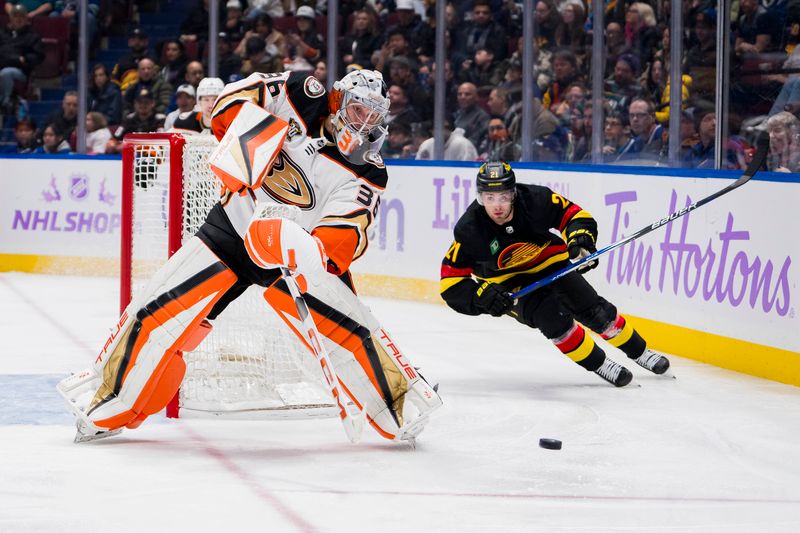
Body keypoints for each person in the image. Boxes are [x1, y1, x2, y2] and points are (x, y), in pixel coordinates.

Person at [59, 68, 442, 444]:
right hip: (232, 229)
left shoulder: (367, 170)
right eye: (360, 111)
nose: (365, 123)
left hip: (291, 257)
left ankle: (399, 404)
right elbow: (229, 101)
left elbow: (346, 235)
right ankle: (110, 400)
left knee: (348, 331)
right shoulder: (299, 91)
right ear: (338, 100)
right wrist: (248, 144)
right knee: (159, 309)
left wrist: (303, 248)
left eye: (375, 116)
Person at [440, 160, 671, 387]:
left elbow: (573, 215)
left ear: (513, 194)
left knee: (594, 309)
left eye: (503, 197)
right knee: (554, 321)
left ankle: (640, 351)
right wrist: (482, 297)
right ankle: (600, 364)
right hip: (510, 284)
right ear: (480, 197)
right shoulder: (469, 229)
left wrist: (579, 237)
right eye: (489, 198)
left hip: (551, 264)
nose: (497, 206)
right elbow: (450, 283)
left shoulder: (535, 199)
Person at [0, 5, 44, 113]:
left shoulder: (33, 36)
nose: (18, 19)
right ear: (10, 18)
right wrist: (16, 58)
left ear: (26, 18)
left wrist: (24, 59)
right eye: (15, 16)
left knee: (6, 73)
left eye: (22, 16)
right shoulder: (1, 34)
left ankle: (5, 102)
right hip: (3, 64)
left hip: (21, 71)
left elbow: (38, 56)